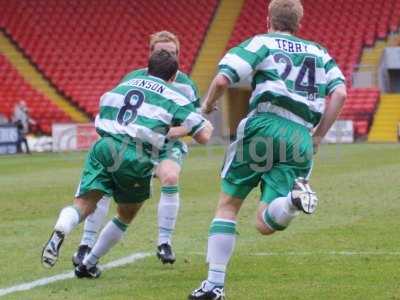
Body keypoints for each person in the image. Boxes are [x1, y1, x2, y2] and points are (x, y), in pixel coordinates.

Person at [188, 0, 347, 299]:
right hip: (300, 135)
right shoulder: (320, 52)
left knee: (228, 205)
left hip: (265, 124)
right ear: (299, 22)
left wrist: (208, 106)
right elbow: (339, 92)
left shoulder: (262, 42)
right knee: (265, 223)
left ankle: (214, 286)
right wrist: (319, 136)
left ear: (268, 19)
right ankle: (291, 201)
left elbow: (224, 77)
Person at [41, 50, 213, 279]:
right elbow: (203, 136)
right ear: (173, 77)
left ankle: (62, 227)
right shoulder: (174, 96)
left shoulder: (124, 85)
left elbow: (102, 113)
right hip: (136, 154)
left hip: (103, 146)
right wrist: (202, 120)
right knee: (125, 214)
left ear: (148, 67)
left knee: (83, 205)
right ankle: (89, 263)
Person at [72, 31, 201, 266]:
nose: (167, 55)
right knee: (105, 187)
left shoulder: (187, 86)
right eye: (161, 52)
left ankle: (164, 242)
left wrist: (170, 132)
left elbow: (192, 124)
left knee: (170, 177)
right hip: (134, 142)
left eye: (171, 53)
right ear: (150, 54)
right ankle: (85, 245)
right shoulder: (133, 78)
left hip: (166, 144)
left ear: (179, 55)